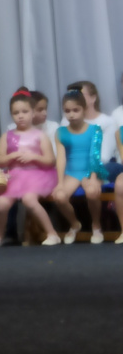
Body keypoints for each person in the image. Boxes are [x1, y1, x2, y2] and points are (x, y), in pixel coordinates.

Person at [0, 89, 60, 247]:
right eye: (16, 113)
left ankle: (52, 234)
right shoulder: (6, 136)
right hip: (14, 176)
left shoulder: (40, 135)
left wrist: (34, 157)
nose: (20, 116)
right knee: (1, 204)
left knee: (29, 200)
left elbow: (50, 161)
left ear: (33, 113)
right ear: (11, 115)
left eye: (25, 112)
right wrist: (11, 157)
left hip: (37, 175)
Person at [51, 90, 108, 244]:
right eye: (67, 111)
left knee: (92, 192)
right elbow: (61, 158)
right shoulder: (60, 132)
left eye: (76, 110)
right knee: (59, 196)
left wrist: (94, 178)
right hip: (72, 172)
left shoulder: (95, 129)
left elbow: (94, 155)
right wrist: (60, 183)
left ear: (84, 109)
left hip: (91, 170)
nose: (71, 114)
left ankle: (96, 226)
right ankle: (75, 224)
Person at [61, 80, 121, 182]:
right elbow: (62, 151)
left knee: (110, 167)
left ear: (93, 98)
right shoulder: (66, 121)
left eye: (79, 94)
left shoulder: (107, 122)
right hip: (72, 167)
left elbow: (104, 156)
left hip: (98, 167)